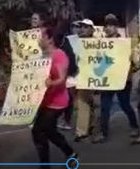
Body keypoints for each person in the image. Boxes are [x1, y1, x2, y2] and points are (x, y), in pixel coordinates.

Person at [33, 26, 78, 169]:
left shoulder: (59, 55)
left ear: (49, 39)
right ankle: (70, 152)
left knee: (38, 131)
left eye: (41, 36)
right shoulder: (41, 55)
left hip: (57, 102)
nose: (38, 39)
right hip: (45, 101)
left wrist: (51, 82)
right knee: (50, 131)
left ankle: (45, 165)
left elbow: (61, 79)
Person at [94, 14, 140, 143]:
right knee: (105, 107)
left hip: (123, 80)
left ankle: (135, 127)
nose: (108, 28)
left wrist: (131, 69)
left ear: (116, 27)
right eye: (106, 26)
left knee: (125, 104)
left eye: (111, 25)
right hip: (107, 80)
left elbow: (135, 62)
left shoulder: (125, 43)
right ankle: (103, 133)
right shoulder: (100, 44)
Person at [73, 19, 98, 142]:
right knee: (85, 102)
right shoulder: (75, 42)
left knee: (87, 103)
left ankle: (86, 129)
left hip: (93, 77)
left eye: (86, 27)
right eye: (81, 26)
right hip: (80, 77)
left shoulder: (97, 43)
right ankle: (86, 128)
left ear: (92, 30)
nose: (82, 29)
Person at [57, 21, 79, 131]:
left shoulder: (84, 41)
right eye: (74, 26)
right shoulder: (66, 41)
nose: (76, 29)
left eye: (78, 27)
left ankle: (67, 120)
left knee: (71, 98)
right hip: (66, 73)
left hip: (75, 73)